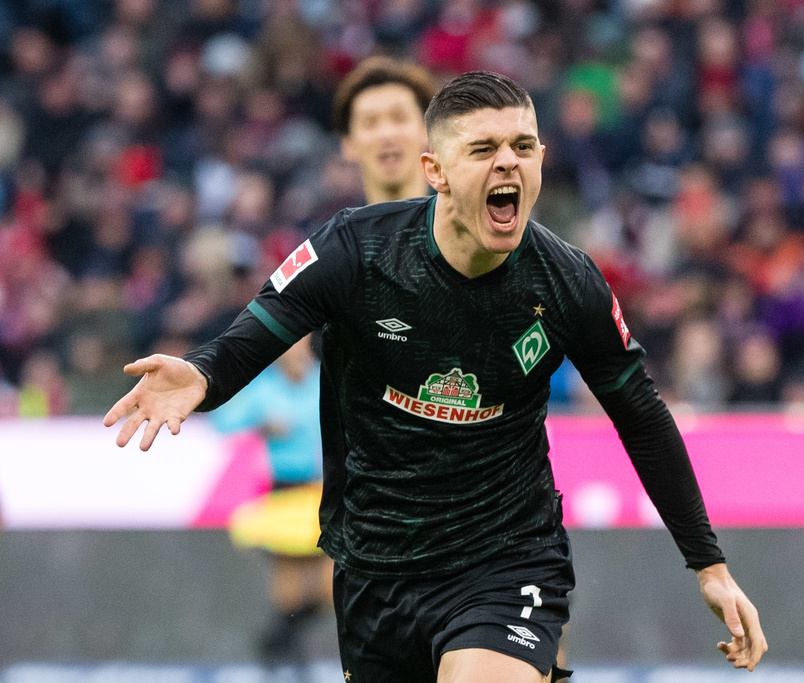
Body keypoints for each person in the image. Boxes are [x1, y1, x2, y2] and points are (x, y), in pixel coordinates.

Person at [104, 71, 766, 682]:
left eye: (523, 147)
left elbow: (642, 416)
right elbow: (258, 331)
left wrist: (708, 564)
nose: (507, 162)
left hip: (506, 557)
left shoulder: (568, 284)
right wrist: (201, 374)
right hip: (375, 567)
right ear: (436, 171)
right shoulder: (352, 250)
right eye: (483, 149)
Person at [209, 335, 330, 663]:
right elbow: (223, 421)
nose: (295, 351)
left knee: (330, 586)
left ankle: (277, 643)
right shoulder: (263, 387)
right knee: (288, 587)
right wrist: (262, 425)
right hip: (284, 491)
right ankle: (285, 657)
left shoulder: (325, 378)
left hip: (323, 489)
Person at [331, 55, 437, 204]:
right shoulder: (333, 220)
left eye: (399, 118)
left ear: (427, 131)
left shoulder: (467, 215)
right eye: (370, 122)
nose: (386, 134)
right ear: (347, 144)